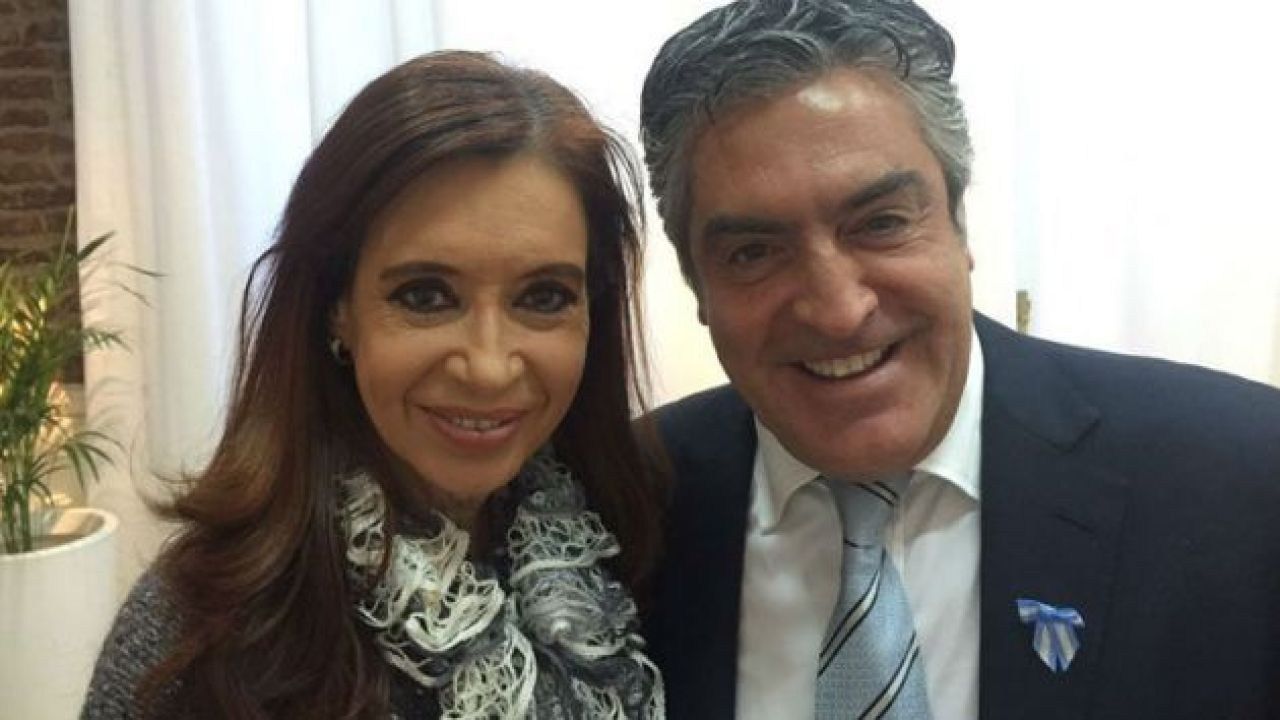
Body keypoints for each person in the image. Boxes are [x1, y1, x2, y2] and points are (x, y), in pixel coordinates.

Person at [637, 1, 1280, 718]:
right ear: (697, 285)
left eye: (881, 223)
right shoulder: (623, 505)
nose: (839, 309)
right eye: (754, 252)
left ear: (959, 223)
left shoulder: (1245, 480)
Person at [81, 51, 665, 719]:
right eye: (426, 295)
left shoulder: (632, 553)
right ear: (337, 309)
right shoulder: (200, 633)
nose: (488, 366)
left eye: (543, 296)